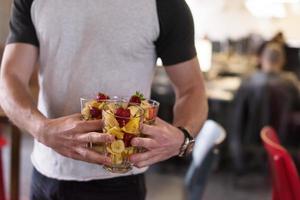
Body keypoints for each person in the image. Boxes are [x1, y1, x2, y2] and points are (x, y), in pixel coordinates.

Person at [0, 0, 208, 199]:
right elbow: (10, 78)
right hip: (46, 172)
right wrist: (40, 129)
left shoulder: (164, 4)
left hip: (120, 180)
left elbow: (191, 88)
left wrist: (183, 137)